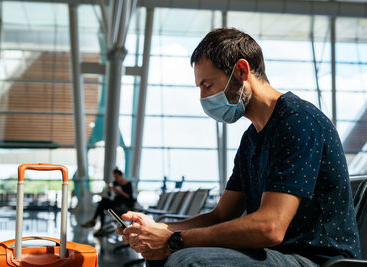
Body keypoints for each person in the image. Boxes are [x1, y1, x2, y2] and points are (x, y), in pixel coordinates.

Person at [116, 27, 361, 266]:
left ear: (242, 71)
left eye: (208, 85)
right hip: (277, 254)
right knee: (161, 254)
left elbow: (270, 227)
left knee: (185, 258)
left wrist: (175, 239)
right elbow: (220, 215)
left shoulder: (299, 121)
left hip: (314, 259)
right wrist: (159, 229)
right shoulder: (252, 139)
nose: (203, 98)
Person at [82, 167, 134, 236]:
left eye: (117, 177)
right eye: (114, 177)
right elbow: (110, 195)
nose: (115, 178)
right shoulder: (115, 183)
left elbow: (129, 197)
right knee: (102, 203)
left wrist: (120, 191)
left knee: (102, 205)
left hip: (124, 205)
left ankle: (95, 221)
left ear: (121, 175)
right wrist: (110, 190)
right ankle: (98, 225)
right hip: (115, 203)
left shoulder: (128, 184)